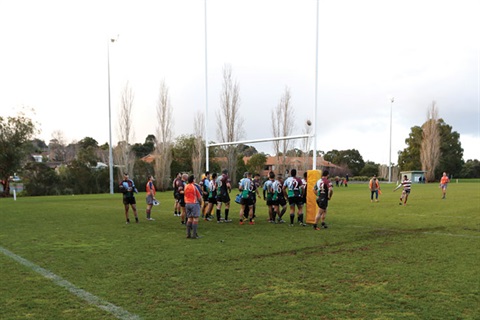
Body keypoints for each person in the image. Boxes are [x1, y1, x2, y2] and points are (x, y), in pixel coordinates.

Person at [184, 175, 203, 239]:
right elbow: (199, 197)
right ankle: (194, 234)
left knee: (189, 218)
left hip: (187, 203)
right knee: (195, 219)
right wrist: (201, 204)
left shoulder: (186, 186)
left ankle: (188, 234)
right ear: (193, 180)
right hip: (194, 203)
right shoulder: (194, 187)